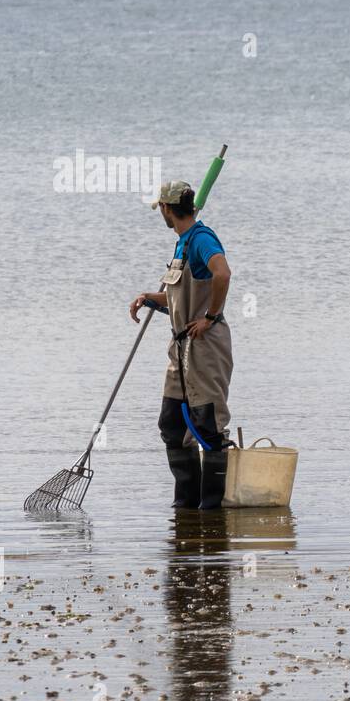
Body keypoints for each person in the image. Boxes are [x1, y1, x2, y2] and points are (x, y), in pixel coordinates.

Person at [128, 181, 234, 508]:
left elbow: (223, 273)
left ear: (168, 209)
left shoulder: (202, 239)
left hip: (205, 345)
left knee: (209, 426)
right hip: (181, 348)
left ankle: (212, 508)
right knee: (172, 423)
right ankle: (186, 505)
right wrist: (149, 298)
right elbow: (180, 295)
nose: (160, 212)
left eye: (161, 207)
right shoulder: (181, 244)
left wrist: (211, 316)